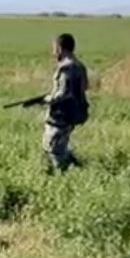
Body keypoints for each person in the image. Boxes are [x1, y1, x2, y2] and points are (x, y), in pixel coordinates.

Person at [41, 33, 89, 172]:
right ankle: (78, 167)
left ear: (60, 48)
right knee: (60, 145)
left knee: (52, 149)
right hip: (74, 113)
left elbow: (63, 93)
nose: (53, 52)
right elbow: (85, 86)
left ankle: (62, 175)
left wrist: (47, 99)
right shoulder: (80, 65)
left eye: (55, 48)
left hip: (61, 114)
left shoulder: (66, 67)